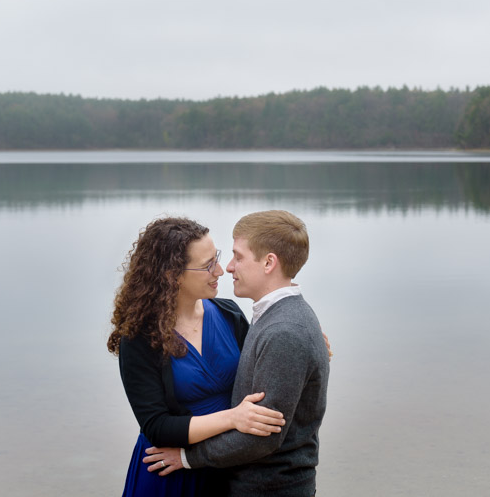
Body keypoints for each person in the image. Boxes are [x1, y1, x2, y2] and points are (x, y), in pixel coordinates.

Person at [143, 210, 330, 497]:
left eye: (238, 257)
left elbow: (263, 437)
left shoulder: (284, 330)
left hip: (270, 488)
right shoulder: (273, 319)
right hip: (240, 481)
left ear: (269, 262)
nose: (227, 268)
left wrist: (187, 458)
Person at [107, 217, 287, 497]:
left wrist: (298, 342)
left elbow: (261, 365)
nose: (220, 270)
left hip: (225, 465)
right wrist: (233, 419)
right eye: (207, 266)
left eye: (216, 258)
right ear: (171, 275)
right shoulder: (140, 338)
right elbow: (157, 427)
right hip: (170, 474)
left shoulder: (229, 314)